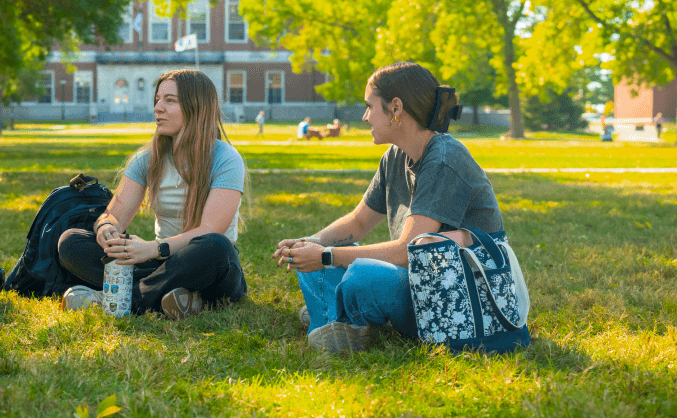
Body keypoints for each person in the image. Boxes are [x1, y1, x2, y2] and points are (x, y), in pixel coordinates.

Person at [274, 62, 506, 354]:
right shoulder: (395, 156)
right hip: (414, 282)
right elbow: (358, 223)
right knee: (312, 261)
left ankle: (336, 318)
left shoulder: (445, 158)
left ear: (396, 108)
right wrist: (313, 243)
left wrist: (325, 255)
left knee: (360, 275)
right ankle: (341, 318)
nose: (365, 116)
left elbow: (408, 251)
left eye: (370, 106)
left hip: (452, 295)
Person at [56, 69, 247, 320]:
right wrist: (107, 229)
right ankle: (176, 297)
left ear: (197, 107)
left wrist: (155, 248)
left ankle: (120, 299)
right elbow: (113, 215)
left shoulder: (225, 158)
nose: (158, 108)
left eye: (170, 101)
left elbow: (209, 230)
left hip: (208, 266)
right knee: (71, 242)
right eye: (157, 100)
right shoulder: (146, 159)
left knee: (215, 246)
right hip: (161, 264)